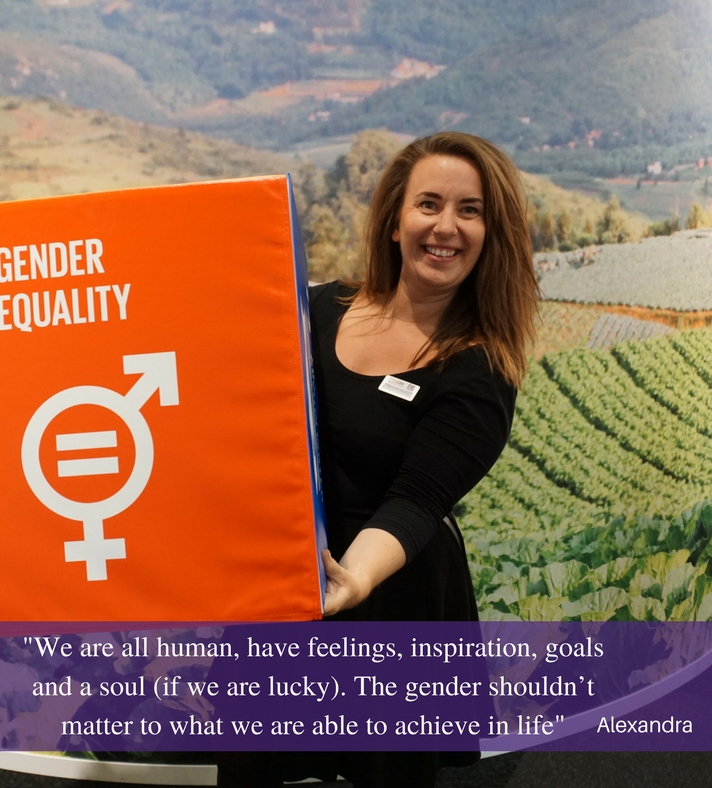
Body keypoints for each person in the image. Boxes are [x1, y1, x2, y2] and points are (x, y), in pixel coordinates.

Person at [217, 131, 539, 787]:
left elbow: (416, 500)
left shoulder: (480, 370)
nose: (445, 226)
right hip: (287, 577)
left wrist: (354, 579)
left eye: (470, 210)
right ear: (396, 221)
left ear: (491, 235)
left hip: (393, 591)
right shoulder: (317, 309)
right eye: (429, 204)